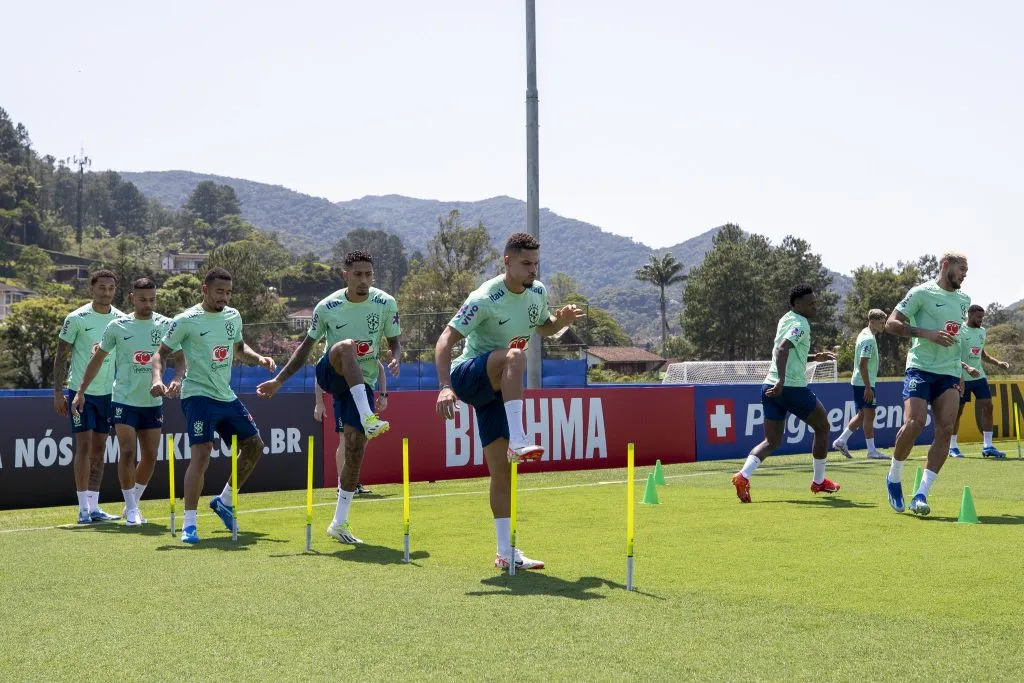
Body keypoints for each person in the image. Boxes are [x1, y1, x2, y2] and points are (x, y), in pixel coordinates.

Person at [435, 232, 585, 571]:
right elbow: (445, 340)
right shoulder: (485, 297)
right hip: (468, 375)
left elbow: (543, 327)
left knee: (502, 472)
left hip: (497, 391)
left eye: (536, 264)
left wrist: (560, 321)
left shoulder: (537, 292)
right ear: (507, 261)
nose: (533, 270)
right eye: (526, 263)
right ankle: (519, 439)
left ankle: (506, 552)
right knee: (516, 356)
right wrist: (444, 387)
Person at [257, 250, 400, 545]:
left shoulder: (386, 303)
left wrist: (396, 356)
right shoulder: (327, 306)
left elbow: (395, 342)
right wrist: (279, 381)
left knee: (355, 448)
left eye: (368, 275)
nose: (364, 280)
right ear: (345, 275)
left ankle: (339, 522)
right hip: (331, 372)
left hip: (362, 382)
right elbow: (305, 349)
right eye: (357, 274)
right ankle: (368, 416)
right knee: (346, 346)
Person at [150, 268, 276, 543]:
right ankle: (190, 524)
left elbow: (239, 349)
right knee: (202, 453)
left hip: (225, 395)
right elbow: (160, 354)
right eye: (219, 291)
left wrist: (259, 358)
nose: (224, 297)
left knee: (255, 446)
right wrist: (158, 379)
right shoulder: (186, 320)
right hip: (197, 395)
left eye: (228, 292)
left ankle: (225, 501)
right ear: (204, 289)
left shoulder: (233, 316)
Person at [73, 278, 183, 525]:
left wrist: (176, 379)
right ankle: (132, 510)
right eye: (143, 299)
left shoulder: (167, 325)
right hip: (123, 399)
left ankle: (132, 502)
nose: (148, 304)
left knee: (151, 455)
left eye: (152, 299)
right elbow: (97, 360)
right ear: (133, 298)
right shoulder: (117, 326)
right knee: (128, 450)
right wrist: (81, 391)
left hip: (153, 402)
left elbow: (180, 358)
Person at [731, 284, 839, 503]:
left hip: (768, 386)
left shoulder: (786, 319)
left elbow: (788, 351)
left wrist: (813, 357)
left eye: (815, 303)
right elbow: (782, 348)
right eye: (811, 304)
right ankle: (819, 481)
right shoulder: (801, 324)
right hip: (790, 387)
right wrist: (782, 381)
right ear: (797, 304)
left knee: (771, 441)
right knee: (823, 427)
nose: (815, 307)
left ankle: (743, 476)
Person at [883, 251, 971, 516]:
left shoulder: (964, 300)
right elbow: (891, 324)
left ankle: (921, 494)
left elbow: (958, 339)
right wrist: (926, 334)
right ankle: (894, 477)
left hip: (949, 373)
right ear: (945, 265)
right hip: (920, 368)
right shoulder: (921, 292)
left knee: (946, 429)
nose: (965, 275)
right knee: (915, 423)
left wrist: (960, 372)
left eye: (967, 271)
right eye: (961, 269)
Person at [53, 269, 124, 524]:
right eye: (101, 288)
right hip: (80, 393)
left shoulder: (121, 320)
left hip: (108, 394)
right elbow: (61, 355)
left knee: (99, 449)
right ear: (91, 289)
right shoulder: (76, 318)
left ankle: (94, 507)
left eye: (111, 288)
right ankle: (83, 509)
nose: (106, 292)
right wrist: (58, 392)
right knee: (83, 446)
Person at [313, 359, 391, 496]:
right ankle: (342, 485)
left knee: (361, 440)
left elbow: (380, 369)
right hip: (343, 395)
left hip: (365, 393)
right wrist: (319, 402)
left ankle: (352, 482)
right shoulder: (336, 350)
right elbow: (320, 373)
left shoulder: (367, 350)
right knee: (345, 439)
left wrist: (383, 394)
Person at [950, 304, 1011, 458]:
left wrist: (998, 363)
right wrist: (967, 367)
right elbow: (952, 355)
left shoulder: (982, 331)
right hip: (961, 377)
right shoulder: (960, 331)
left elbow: (982, 353)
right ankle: (952, 447)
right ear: (969, 314)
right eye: (978, 317)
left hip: (979, 377)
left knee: (988, 406)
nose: (981, 320)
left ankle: (988, 446)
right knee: (958, 412)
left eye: (982, 317)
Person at [832, 309, 889, 460]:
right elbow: (863, 364)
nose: (883, 325)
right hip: (864, 383)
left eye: (884, 322)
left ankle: (841, 441)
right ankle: (871, 451)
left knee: (863, 414)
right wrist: (868, 387)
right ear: (872, 322)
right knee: (869, 414)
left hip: (860, 381)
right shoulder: (868, 339)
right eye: (881, 323)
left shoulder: (864, 333)